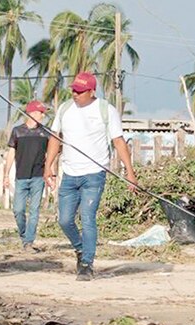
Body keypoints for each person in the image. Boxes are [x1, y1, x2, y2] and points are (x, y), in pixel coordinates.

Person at [44, 72, 138, 281]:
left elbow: (118, 141)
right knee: (65, 220)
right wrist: (48, 166)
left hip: (94, 174)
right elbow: (54, 138)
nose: (75, 94)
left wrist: (130, 173)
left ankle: (87, 263)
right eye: (73, 90)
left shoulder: (106, 110)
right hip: (69, 173)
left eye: (79, 91)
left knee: (87, 217)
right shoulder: (65, 108)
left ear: (91, 92)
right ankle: (80, 248)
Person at [4, 100, 51, 252]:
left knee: (34, 211)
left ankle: (29, 242)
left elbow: (51, 154)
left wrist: (51, 174)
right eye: (40, 112)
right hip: (21, 177)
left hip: (38, 176)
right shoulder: (18, 131)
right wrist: (6, 174)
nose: (43, 115)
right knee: (18, 210)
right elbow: (11, 153)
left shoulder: (45, 132)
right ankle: (24, 235)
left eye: (43, 113)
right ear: (31, 112)